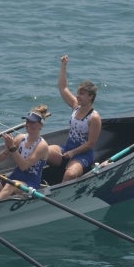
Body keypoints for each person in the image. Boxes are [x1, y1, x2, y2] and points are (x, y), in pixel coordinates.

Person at [0, 106, 50, 202]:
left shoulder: (42, 146)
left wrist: (12, 148)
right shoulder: (20, 138)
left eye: (32, 122)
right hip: (14, 177)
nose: (28, 124)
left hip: (30, 182)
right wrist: (7, 150)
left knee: (11, 185)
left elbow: (24, 166)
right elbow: (0, 159)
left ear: (40, 125)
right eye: (27, 122)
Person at [47, 54, 101, 182]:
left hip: (83, 155)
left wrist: (73, 153)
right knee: (44, 151)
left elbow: (91, 144)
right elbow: (63, 87)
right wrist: (63, 66)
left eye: (82, 94)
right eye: (78, 93)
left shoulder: (94, 118)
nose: (78, 96)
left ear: (91, 97)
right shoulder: (75, 106)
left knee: (69, 175)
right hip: (67, 148)